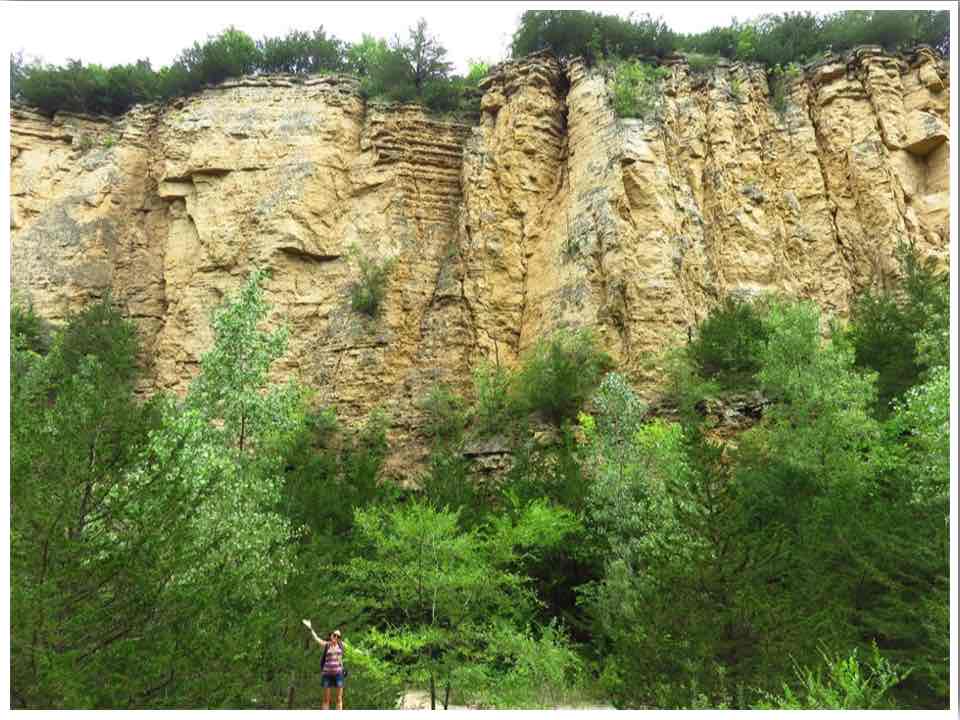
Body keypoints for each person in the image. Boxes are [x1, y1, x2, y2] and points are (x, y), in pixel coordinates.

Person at [303, 619, 345, 710]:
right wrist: (310, 628)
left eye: (338, 636)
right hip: (327, 674)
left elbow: (354, 651)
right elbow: (317, 639)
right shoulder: (327, 645)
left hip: (339, 674)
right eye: (334, 635)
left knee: (339, 698)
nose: (336, 637)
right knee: (326, 699)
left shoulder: (341, 645)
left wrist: (365, 653)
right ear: (331, 636)